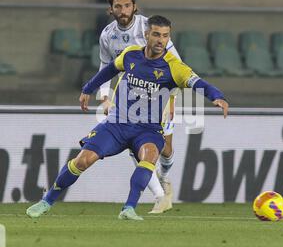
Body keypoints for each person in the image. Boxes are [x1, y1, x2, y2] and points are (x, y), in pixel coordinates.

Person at [26, 15, 228, 221]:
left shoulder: (174, 66)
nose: (161, 40)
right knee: (83, 160)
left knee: (149, 156)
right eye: (156, 34)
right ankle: (46, 201)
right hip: (117, 124)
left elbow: (199, 83)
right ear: (146, 34)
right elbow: (109, 70)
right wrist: (88, 88)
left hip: (148, 129)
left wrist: (217, 96)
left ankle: (129, 208)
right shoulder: (130, 55)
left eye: (165, 36)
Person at [98, 0, 182, 214]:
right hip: (130, 98)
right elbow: (106, 66)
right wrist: (105, 97)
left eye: (127, 5)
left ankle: (164, 179)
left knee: (165, 148)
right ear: (111, 9)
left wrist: (171, 101)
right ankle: (159, 196)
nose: (123, 10)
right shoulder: (107, 35)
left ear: (134, 6)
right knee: (136, 147)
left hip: (159, 95)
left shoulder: (150, 28)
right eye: (118, 6)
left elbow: (175, 64)